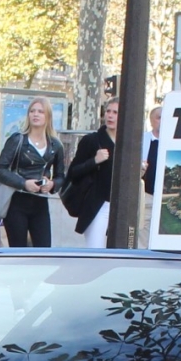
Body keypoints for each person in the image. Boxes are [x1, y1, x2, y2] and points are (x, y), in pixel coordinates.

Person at [0, 97, 66, 250]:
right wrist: (23, 184)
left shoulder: (55, 145)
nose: (35, 114)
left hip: (40, 202)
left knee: (43, 251)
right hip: (17, 201)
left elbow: (61, 176)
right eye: (32, 111)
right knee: (18, 250)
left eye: (40, 112)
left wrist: (51, 184)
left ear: (48, 116)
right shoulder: (17, 140)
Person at [63, 97, 120, 249]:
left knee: (121, 254)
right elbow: (73, 172)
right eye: (108, 111)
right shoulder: (92, 141)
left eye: (115, 112)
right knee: (96, 251)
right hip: (98, 205)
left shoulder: (128, 144)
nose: (110, 115)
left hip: (121, 207)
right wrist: (94, 161)